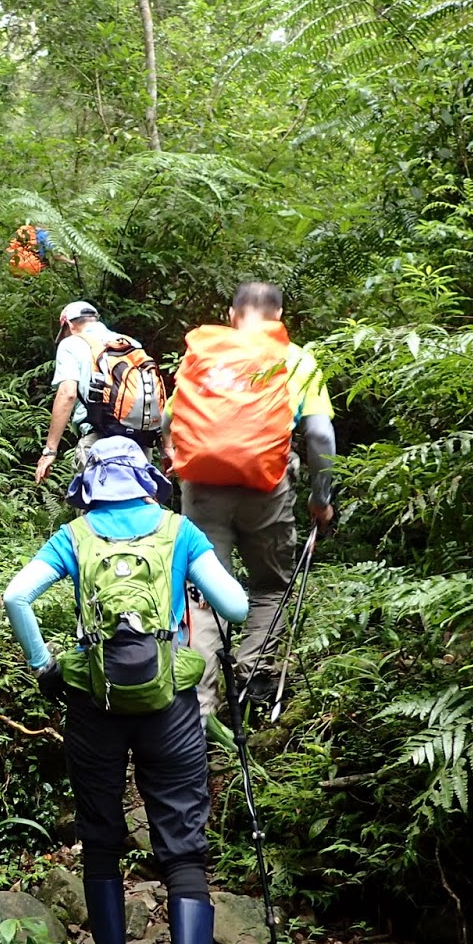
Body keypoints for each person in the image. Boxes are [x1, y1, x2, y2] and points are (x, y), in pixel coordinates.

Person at [2, 437, 247, 944]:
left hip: (94, 704)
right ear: (144, 481)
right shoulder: (179, 530)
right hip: (170, 706)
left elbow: (16, 597)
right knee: (183, 850)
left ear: (89, 485)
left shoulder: (75, 535)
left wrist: (46, 668)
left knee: (101, 836)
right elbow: (238, 606)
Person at [164, 281, 335, 720]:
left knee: (203, 591)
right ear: (279, 316)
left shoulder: (204, 355)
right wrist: (321, 498)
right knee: (271, 585)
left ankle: (197, 709)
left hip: (202, 487)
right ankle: (253, 678)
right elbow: (319, 435)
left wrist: (173, 454)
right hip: (267, 486)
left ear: (231, 315)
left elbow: (168, 418)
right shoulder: (295, 358)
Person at [34, 301, 149, 484]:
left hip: (98, 439)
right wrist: (166, 446)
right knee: (140, 496)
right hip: (139, 440)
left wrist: (50, 450)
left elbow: (68, 394)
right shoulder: (130, 343)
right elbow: (150, 392)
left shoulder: (70, 344)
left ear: (70, 325)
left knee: (95, 500)